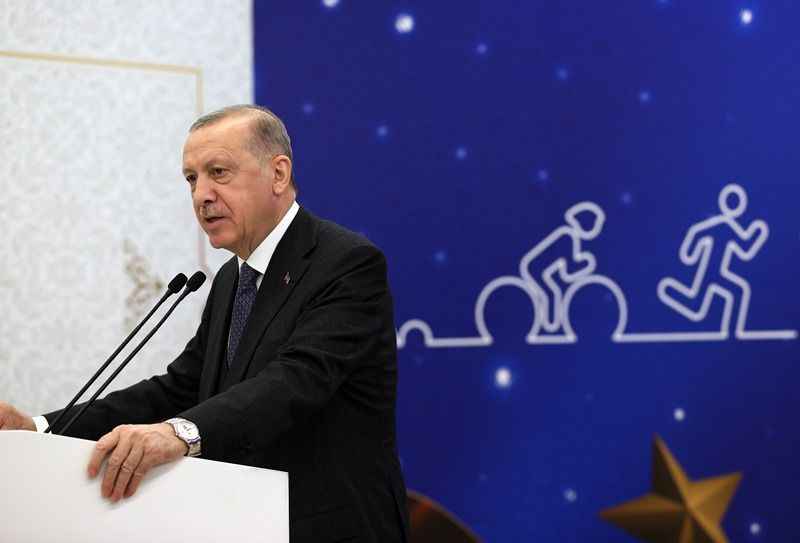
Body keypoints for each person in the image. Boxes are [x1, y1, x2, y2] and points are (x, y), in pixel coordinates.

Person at [0, 105, 409, 543]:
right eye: (192, 179)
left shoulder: (346, 263)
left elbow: (294, 381)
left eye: (219, 173)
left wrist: (179, 434)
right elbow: (180, 388)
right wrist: (41, 430)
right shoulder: (232, 277)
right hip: (246, 524)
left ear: (278, 173)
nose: (201, 195)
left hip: (331, 526)